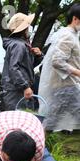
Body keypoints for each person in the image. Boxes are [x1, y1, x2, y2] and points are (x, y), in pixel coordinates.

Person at [39, 3, 80, 132]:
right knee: (50, 121)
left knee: (50, 121)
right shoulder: (67, 35)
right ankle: (35, 144)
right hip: (66, 87)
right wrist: (78, 72)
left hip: (66, 86)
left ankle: (36, 144)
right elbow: (57, 61)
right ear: (75, 19)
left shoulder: (70, 34)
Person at [1, 13, 44, 111]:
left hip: (17, 89)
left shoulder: (19, 45)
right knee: (18, 122)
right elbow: (14, 67)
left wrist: (39, 55)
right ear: (23, 29)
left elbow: (27, 67)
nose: (28, 29)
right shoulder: (18, 45)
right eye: (27, 27)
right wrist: (25, 86)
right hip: (16, 91)